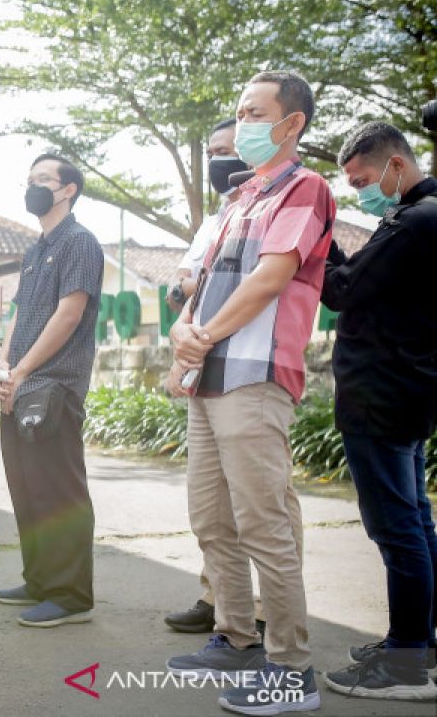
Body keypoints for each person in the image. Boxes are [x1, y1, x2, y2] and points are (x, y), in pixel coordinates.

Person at [164, 71, 334, 715]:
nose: (243, 123)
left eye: (256, 111)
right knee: (211, 516)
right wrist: (184, 330)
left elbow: (269, 280)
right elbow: (198, 285)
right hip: (208, 373)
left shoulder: (305, 188)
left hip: (255, 374)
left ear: (292, 124)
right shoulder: (238, 199)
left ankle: (291, 668)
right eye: (239, 111)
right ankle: (235, 637)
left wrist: (198, 335)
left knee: (263, 523)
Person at [319, 122, 437, 701]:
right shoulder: (415, 218)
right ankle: (418, 642)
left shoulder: (416, 222)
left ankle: (407, 664)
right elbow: (356, 282)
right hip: (404, 393)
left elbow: (341, 290)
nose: (361, 192)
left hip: (382, 397)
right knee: (415, 522)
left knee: (399, 532)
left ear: (395, 163)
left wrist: (312, 239)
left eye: (363, 180)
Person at [0, 153, 104, 629]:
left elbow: (69, 313)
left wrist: (25, 370)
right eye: (30, 178)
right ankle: (40, 580)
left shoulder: (80, 241)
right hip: (19, 383)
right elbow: (20, 312)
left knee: (58, 489)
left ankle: (71, 594)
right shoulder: (36, 247)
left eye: (44, 179)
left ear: (68, 189)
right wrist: (4, 364)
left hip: (54, 383)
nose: (34, 187)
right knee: (27, 486)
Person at [166, 119, 249, 316]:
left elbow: (240, 287)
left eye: (222, 153)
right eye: (210, 155)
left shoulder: (262, 217)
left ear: (248, 155)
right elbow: (174, 289)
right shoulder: (210, 225)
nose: (214, 162)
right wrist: (183, 289)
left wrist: (188, 288)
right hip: (196, 338)